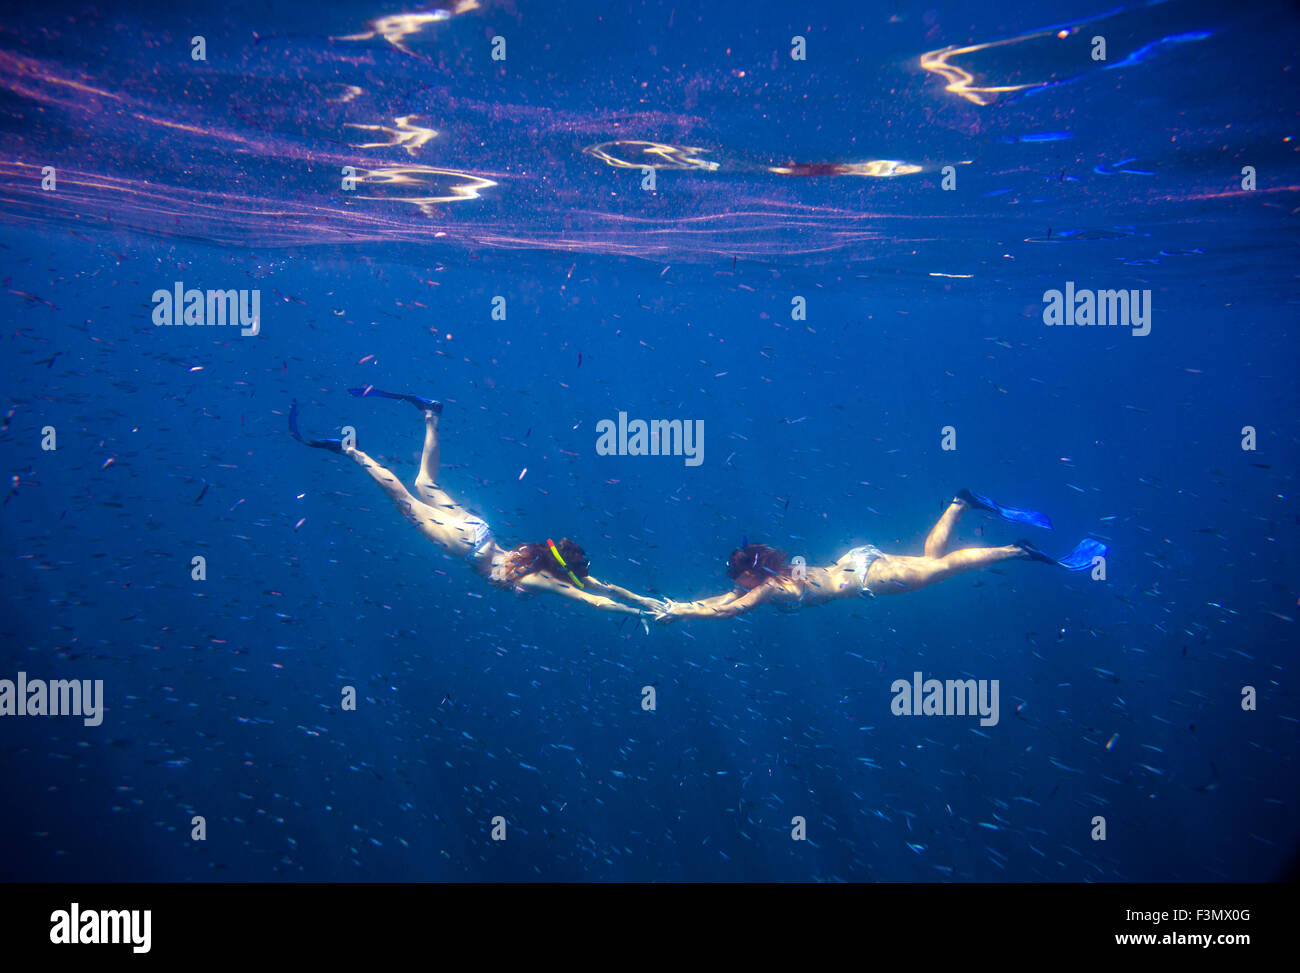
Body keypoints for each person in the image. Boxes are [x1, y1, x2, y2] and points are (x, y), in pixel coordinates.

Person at [289, 387, 665, 622]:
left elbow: (610, 589)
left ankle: (431, 415)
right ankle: (352, 452)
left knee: (424, 482)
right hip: (464, 546)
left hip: (478, 530)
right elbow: (597, 602)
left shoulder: (541, 562)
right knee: (404, 499)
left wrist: (648, 602)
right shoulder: (546, 580)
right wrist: (636, 614)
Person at [657, 489, 1108, 621]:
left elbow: (726, 611)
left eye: (740, 581)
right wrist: (681, 604)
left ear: (752, 577)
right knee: (931, 559)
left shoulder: (769, 592)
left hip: (869, 580)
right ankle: (959, 504)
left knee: (943, 567)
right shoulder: (779, 575)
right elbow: (723, 600)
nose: (737, 588)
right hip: (857, 560)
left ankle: (1016, 550)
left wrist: (682, 613)